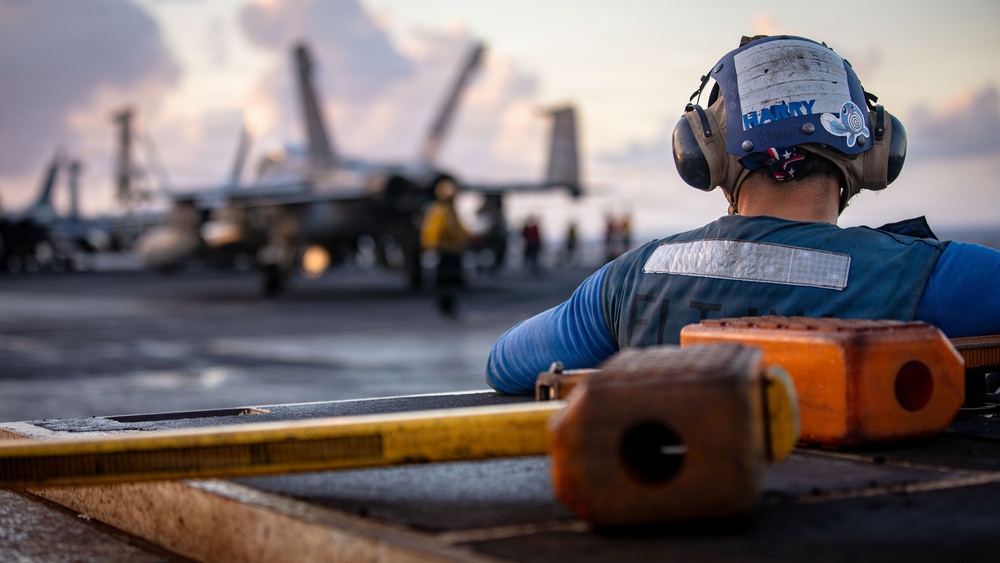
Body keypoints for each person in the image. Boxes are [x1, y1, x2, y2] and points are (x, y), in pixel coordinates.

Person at [486, 35, 1000, 395]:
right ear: (873, 150)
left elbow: (506, 363)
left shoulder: (625, 281)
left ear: (701, 152)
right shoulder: (931, 278)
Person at [420, 179, 468, 316]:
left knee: (452, 279)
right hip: (445, 251)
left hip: (454, 251)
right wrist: (431, 246)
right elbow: (432, 231)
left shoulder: (450, 211)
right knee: (445, 279)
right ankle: (445, 306)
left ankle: (449, 304)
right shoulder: (439, 211)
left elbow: (459, 229)